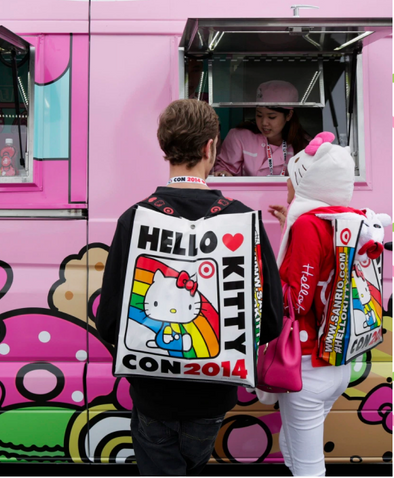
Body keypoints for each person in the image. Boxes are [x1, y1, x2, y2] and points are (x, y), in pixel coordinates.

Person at [95, 99, 283, 476]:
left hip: (152, 394)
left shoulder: (134, 219)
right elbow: (272, 322)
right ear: (210, 147)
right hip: (213, 397)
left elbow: (109, 321)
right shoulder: (242, 220)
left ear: (165, 148)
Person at [271, 132, 363, 476]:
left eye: (291, 179)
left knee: (308, 469)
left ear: (307, 182)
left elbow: (297, 299)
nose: (287, 187)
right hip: (336, 362)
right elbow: (323, 268)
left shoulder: (309, 225)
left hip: (307, 366)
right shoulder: (344, 219)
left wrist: (261, 278)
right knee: (293, 450)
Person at [213, 80, 310, 177]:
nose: (264, 123)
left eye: (272, 117)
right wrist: (224, 173)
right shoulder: (239, 137)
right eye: (259, 115)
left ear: (289, 115)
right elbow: (223, 167)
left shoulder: (304, 144)